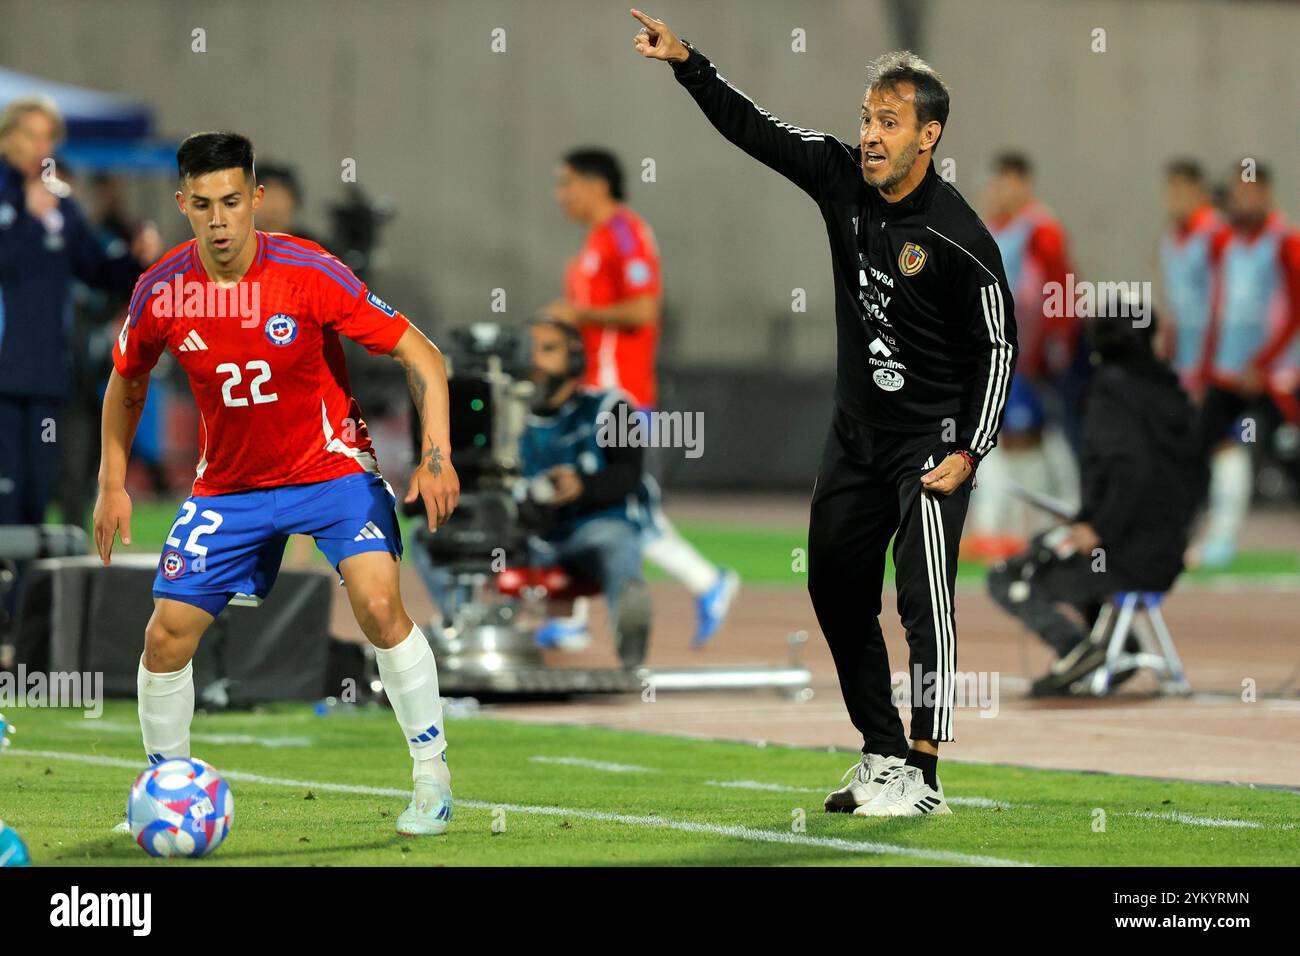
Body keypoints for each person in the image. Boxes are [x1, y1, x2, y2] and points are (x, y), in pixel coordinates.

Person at [632, 10, 1017, 816]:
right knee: (838, 590)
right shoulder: (840, 177)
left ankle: (926, 777)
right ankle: (881, 755)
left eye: (889, 121)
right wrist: (688, 63)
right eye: (867, 119)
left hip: (931, 442)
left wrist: (973, 449)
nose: (871, 135)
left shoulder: (960, 239)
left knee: (924, 601)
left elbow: (998, 350)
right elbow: (757, 131)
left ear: (929, 136)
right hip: (856, 435)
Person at [93, 131, 460, 836]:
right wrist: (113, 482)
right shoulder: (162, 290)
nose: (220, 219)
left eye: (232, 200)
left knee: (380, 607)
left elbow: (422, 353)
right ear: (183, 205)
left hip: (330, 470)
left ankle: (430, 774)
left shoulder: (308, 270)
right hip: (230, 488)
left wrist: (436, 454)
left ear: (256, 198)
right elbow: (126, 381)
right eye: (203, 205)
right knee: (166, 638)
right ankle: (164, 790)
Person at [542, 147, 737, 648]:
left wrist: (577, 315)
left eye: (566, 184)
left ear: (595, 184)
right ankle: (572, 619)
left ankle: (708, 581)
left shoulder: (625, 233)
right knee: (584, 495)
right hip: (591, 392)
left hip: (619, 395)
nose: (559, 195)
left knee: (627, 504)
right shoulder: (598, 239)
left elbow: (643, 309)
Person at [0, 97, 160, 631]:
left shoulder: (59, 206)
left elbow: (98, 270)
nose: (40, 149)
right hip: (2, 382)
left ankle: (21, 621)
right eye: (30, 136)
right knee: (5, 501)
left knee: (33, 501)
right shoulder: (18, 202)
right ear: (6, 138)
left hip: (44, 383)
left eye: (48, 138)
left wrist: (135, 258)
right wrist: (26, 214)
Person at [988, 303, 1204, 695]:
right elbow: (1195, 475)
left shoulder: (1110, 393)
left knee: (1009, 573)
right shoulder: (1174, 392)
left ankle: (1074, 649)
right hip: (1167, 552)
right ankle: (1113, 648)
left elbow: (1130, 468)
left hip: (1122, 554)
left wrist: (1098, 527)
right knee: (1062, 543)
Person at [518, 318, 653, 667]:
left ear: (575, 358)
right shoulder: (508, 415)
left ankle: (631, 656)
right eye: (530, 350)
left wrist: (581, 486)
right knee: (436, 537)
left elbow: (629, 474)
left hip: (589, 531)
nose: (536, 360)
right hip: (526, 534)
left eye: (548, 349)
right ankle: (463, 637)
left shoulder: (609, 407)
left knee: (617, 540)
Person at [968, 152, 1079, 561]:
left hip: (1027, 351)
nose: (997, 192)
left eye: (1004, 183)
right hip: (994, 348)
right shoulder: (990, 228)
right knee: (1009, 435)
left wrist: (1057, 342)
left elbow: (1061, 284)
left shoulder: (1040, 229)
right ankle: (1010, 526)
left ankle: (1044, 520)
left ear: (1021, 183)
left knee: (1031, 435)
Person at [1190, 164, 1300, 567]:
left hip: (1279, 373)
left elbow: (1296, 310)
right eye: (1237, 193)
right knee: (1209, 443)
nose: (1242, 201)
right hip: (1228, 370)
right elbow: (1216, 308)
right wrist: (1205, 370)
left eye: (1249, 192)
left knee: (1286, 454)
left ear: (1267, 192)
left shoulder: (1285, 242)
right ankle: (1218, 534)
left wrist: (1265, 362)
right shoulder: (1223, 243)